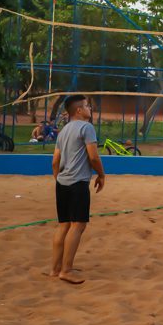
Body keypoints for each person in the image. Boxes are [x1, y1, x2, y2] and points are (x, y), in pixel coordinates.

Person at [50, 94, 105, 285]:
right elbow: (94, 157)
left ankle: (55, 269)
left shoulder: (63, 131)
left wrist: (58, 179)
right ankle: (66, 270)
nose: (90, 108)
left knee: (63, 225)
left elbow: (55, 161)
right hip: (77, 183)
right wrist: (102, 174)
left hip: (62, 183)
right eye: (87, 105)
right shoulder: (86, 127)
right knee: (78, 225)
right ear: (79, 110)